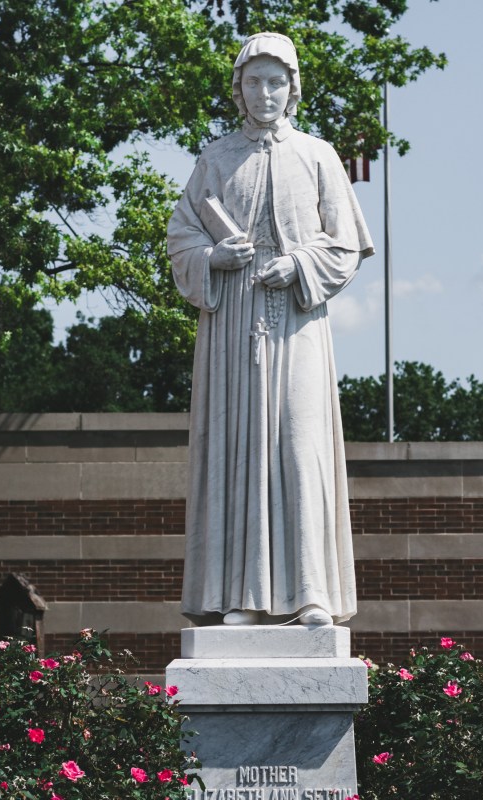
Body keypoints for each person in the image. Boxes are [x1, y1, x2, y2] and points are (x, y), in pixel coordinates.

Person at [167, 32, 373, 626]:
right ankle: (243, 599)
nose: (265, 93)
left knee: (299, 447)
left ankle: (312, 594)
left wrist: (300, 264)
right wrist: (213, 257)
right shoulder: (215, 159)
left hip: (298, 324)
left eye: (276, 82)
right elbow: (182, 237)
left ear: (292, 89)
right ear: (240, 89)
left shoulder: (318, 155)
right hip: (231, 325)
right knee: (238, 450)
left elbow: (346, 243)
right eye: (254, 81)